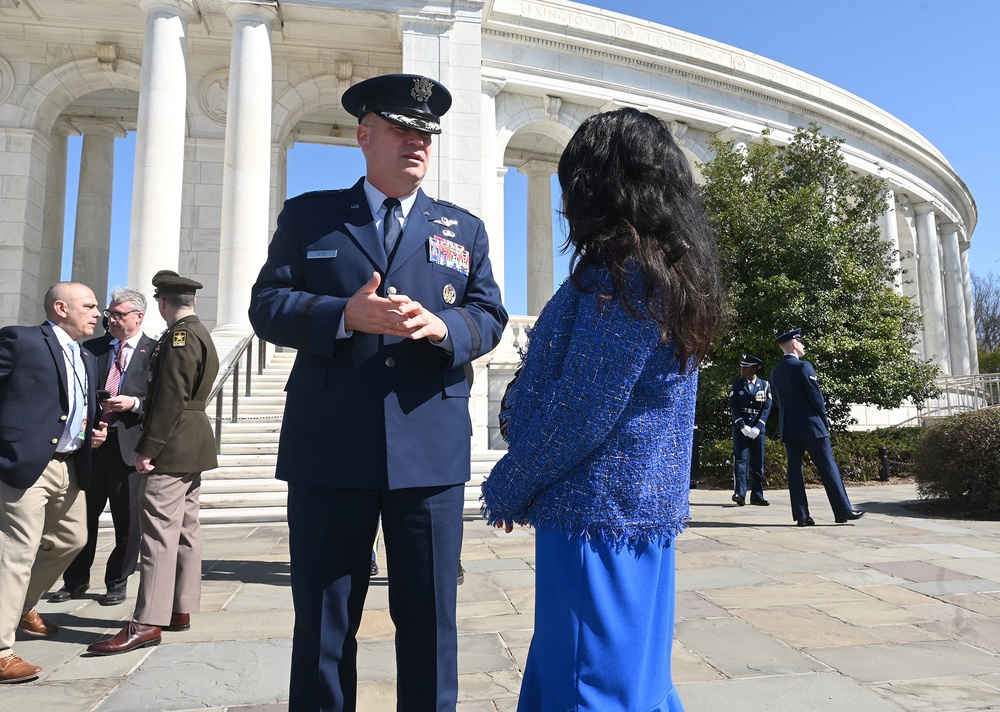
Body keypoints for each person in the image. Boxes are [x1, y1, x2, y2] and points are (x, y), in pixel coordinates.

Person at [249, 73, 507, 710]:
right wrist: (343, 315)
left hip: (428, 449)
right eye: (402, 130)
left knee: (429, 618)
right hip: (330, 447)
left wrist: (444, 326)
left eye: (426, 134)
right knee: (325, 622)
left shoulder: (463, 228)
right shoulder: (311, 216)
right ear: (364, 136)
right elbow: (267, 306)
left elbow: (491, 315)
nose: (418, 143)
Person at [481, 107, 722, 711]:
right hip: (635, 514)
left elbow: (584, 409)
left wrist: (509, 483)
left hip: (596, 512)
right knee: (630, 677)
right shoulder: (666, 271)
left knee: (590, 683)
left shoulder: (624, 278)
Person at [88, 271, 219, 655]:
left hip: (173, 442)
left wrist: (149, 447)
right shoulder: (199, 333)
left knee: (158, 533)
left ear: (162, 303)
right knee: (184, 528)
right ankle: (179, 607)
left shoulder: (179, 338)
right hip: (192, 443)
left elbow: (169, 399)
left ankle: (147, 620)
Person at [0, 282, 104, 683]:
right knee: (16, 553)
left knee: (71, 540)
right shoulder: (21, 340)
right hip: (25, 466)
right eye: (90, 306)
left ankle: (24, 605)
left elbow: (71, 404)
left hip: (69, 464)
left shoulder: (87, 355)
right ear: (61, 308)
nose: (98, 313)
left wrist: (89, 432)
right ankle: (2, 650)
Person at [50, 288, 156, 606]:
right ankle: (75, 581)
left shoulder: (155, 351)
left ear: (139, 316)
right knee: (82, 518)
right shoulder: (91, 349)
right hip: (91, 446)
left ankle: (117, 581)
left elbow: (166, 401)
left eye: (118, 314)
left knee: (128, 521)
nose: (110, 319)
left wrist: (134, 402)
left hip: (130, 448)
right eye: (109, 314)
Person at [769, 328, 865, 526]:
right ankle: (842, 511)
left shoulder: (775, 373)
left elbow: (777, 401)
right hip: (812, 426)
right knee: (828, 468)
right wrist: (824, 420)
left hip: (789, 427)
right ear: (794, 344)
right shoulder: (804, 367)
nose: (803, 346)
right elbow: (816, 398)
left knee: (795, 473)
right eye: (801, 342)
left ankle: (801, 516)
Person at [728, 353, 772, 506]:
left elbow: (767, 407)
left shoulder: (764, 385)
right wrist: (741, 425)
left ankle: (757, 495)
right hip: (742, 428)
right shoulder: (738, 385)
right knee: (740, 460)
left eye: (745, 367)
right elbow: (733, 406)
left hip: (758, 429)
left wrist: (758, 427)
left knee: (758, 462)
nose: (742, 369)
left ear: (754, 369)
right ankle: (740, 493)